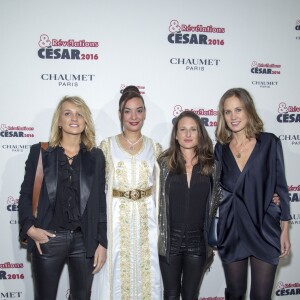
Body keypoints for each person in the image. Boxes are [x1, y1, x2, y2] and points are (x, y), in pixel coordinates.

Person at [18, 96, 107, 300]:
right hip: (48, 238)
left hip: (84, 241)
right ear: (59, 120)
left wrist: (102, 242)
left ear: (86, 121)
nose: (74, 118)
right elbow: (25, 195)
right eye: (67, 113)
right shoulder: (40, 153)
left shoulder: (96, 157)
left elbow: (100, 202)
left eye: (79, 113)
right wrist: (30, 229)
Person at [214, 88, 291, 300]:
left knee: (261, 297)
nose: (233, 116)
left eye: (238, 109)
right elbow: (216, 189)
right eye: (227, 112)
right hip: (232, 227)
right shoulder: (220, 150)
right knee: (235, 294)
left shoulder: (269, 143)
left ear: (248, 110)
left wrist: (285, 228)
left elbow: (281, 187)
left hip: (264, 226)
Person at [93, 86, 163, 299]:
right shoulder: (106, 147)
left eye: (139, 110)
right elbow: (96, 193)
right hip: (115, 223)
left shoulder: (155, 148)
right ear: (120, 114)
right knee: (114, 275)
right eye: (128, 110)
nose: (134, 116)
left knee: (148, 274)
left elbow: (161, 193)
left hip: (147, 224)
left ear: (145, 114)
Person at [157, 110, 222, 300]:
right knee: (170, 295)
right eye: (182, 129)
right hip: (169, 241)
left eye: (193, 129)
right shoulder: (163, 164)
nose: (187, 134)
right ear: (175, 135)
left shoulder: (212, 166)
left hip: (198, 243)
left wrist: (272, 196)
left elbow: (225, 196)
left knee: (190, 295)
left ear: (200, 134)